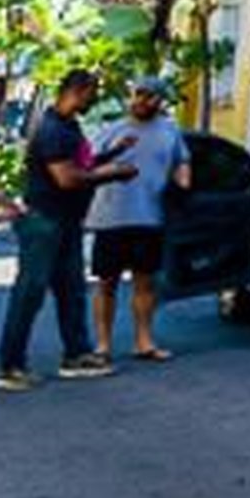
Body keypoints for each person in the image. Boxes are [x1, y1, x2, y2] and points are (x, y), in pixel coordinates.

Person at [0, 70, 118, 391]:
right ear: (78, 91)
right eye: (93, 94)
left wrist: (112, 156)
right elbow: (68, 178)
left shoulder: (68, 127)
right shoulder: (52, 131)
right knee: (30, 292)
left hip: (66, 221)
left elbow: (83, 165)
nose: (95, 100)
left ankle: (76, 354)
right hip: (44, 221)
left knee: (72, 289)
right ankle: (11, 365)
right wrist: (112, 174)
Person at [87, 79, 192, 363]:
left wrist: (183, 181)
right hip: (111, 216)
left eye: (149, 96)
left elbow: (182, 159)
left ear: (160, 100)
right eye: (138, 95)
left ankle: (143, 341)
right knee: (106, 282)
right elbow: (88, 165)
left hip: (150, 216)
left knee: (145, 282)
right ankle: (103, 344)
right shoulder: (111, 130)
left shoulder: (170, 131)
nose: (142, 101)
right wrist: (113, 166)